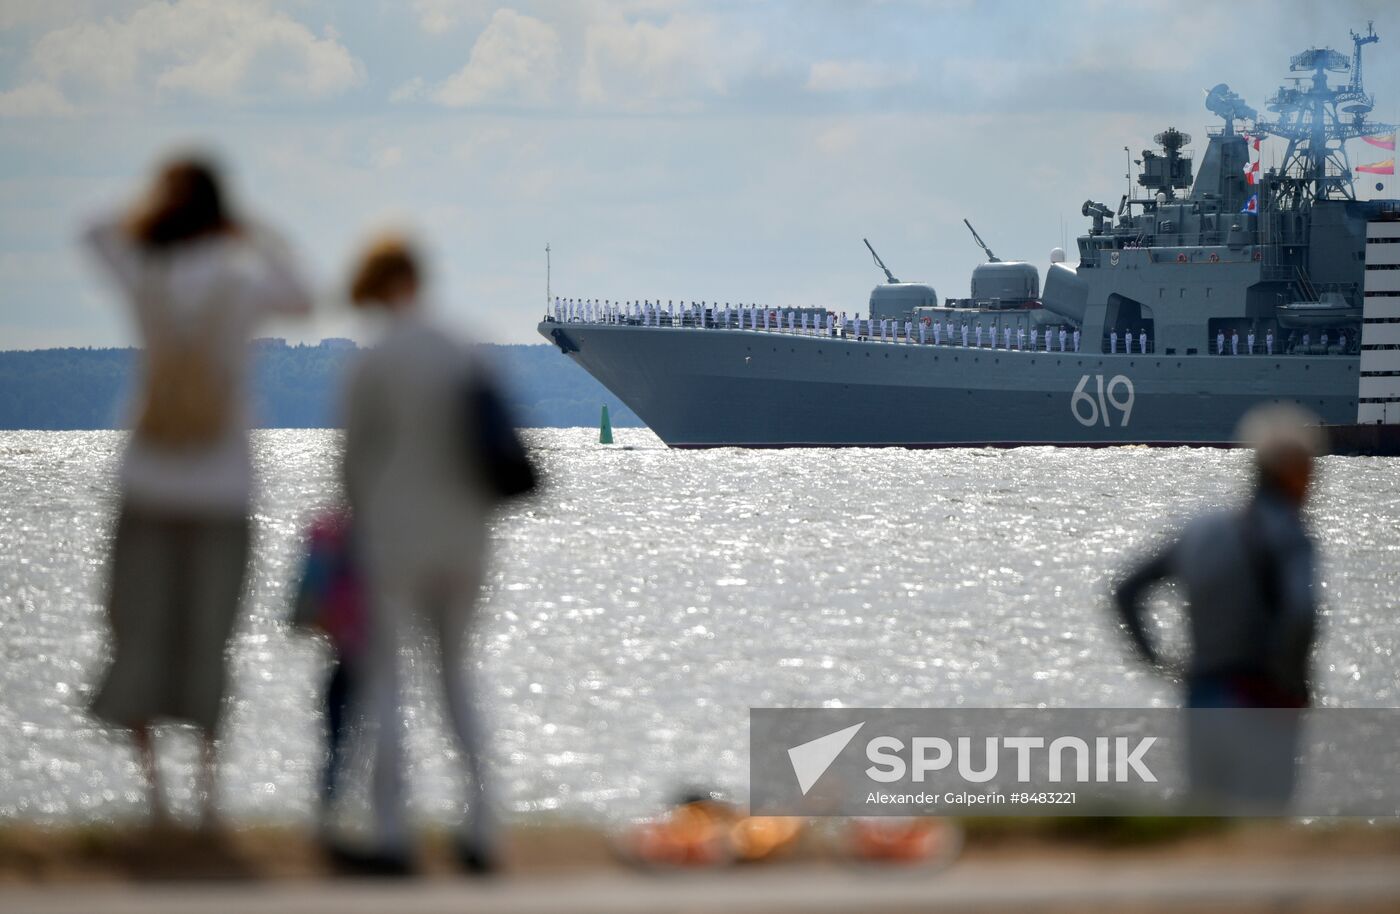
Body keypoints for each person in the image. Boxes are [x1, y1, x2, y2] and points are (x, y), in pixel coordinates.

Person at [83, 156, 312, 829]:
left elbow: (93, 231)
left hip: (148, 480)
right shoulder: (240, 283)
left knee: (135, 636)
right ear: (222, 212)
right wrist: (251, 230)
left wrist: (151, 212)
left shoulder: (144, 273)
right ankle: (208, 800)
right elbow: (302, 292)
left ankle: (155, 799)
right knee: (211, 639)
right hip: (223, 487)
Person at [340, 234, 504, 875]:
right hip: (467, 538)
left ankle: (392, 836)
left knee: (386, 682)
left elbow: (353, 462)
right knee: (458, 679)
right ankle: (483, 830)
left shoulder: (374, 360)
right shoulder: (465, 348)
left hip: (395, 538)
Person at [1113, 404, 1323, 811]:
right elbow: (1301, 612)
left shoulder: (1200, 529)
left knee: (1206, 824)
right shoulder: (1291, 534)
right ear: (1294, 472)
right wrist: (1290, 680)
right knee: (1264, 828)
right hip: (1259, 699)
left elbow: (1125, 590)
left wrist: (1156, 660)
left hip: (1201, 697)